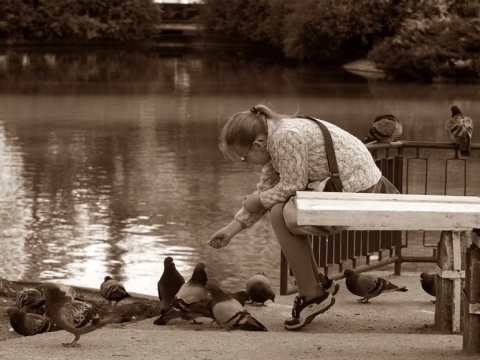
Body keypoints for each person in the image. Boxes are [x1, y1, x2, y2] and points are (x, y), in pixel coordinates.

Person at [207, 103, 399, 330]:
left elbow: (291, 186)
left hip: (360, 192)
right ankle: (315, 285)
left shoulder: (284, 138)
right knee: (280, 208)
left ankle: (312, 294)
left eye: (243, 157)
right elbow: (269, 188)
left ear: (257, 144)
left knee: (280, 211)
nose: (245, 163)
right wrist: (231, 229)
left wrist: (258, 201)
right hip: (351, 188)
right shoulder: (275, 137)